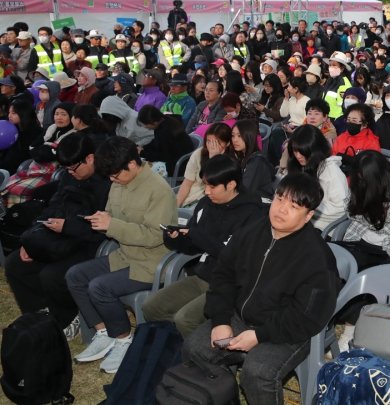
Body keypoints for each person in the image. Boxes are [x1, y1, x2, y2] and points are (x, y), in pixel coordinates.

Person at [182, 173, 339, 404]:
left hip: (287, 330)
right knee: (194, 347)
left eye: (293, 206)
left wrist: (259, 335)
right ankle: (222, 395)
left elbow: (307, 316)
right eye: (279, 199)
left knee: (257, 372)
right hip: (241, 316)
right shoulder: (252, 231)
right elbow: (223, 274)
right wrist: (220, 320)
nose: (281, 209)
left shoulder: (316, 257)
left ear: (308, 216)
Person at [66, 136, 177, 374]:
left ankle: (123, 339)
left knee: (99, 287)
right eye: (110, 176)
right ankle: (104, 331)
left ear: (132, 164)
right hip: (125, 255)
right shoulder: (118, 181)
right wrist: (100, 218)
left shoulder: (159, 190)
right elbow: (111, 213)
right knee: (75, 276)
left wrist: (112, 225)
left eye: (115, 175)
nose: (112, 180)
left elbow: (155, 236)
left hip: (151, 263)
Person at [142, 155, 267, 337]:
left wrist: (195, 234)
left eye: (212, 186)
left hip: (231, 284)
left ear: (231, 185)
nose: (207, 191)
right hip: (202, 275)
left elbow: (231, 254)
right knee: (151, 307)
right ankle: (180, 345)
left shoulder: (252, 214)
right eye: (205, 185)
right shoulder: (206, 204)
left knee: (185, 319)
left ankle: (205, 354)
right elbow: (194, 246)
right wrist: (176, 238)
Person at [4, 133, 111, 340]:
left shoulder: (108, 181)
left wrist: (68, 227)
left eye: (74, 168)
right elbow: (52, 207)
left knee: (52, 275)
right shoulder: (69, 177)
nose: (71, 173)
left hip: (90, 243)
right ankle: (41, 313)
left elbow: (103, 229)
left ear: (90, 158)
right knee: (15, 263)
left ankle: (68, 318)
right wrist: (31, 240)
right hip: (61, 238)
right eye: (67, 169)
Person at [336, 150, 390, 351]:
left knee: (366, 279)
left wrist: (366, 212)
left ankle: (350, 330)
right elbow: (350, 210)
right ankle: (335, 317)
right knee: (337, 267)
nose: (361, 181)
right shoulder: (361, 174)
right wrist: (372, 214)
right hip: (360, 236)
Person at [286, 124, 349, 230]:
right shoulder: (298, 165)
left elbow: (341, 209)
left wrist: (306, 204)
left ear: (315, 150)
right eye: (295, 151)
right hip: (300, 220)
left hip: (321, 228)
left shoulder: (332, 171)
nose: (298, 156)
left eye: (303, 151)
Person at [176, 122, 232, 211]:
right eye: (209, 141)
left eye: (217, 142)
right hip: (191, 199)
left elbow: (213, 184)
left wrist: (213, 159)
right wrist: (176, 206)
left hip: (212, 203)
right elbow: (186, 184)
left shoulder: (231, 161)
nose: (211, 146)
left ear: (228, 143)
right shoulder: (199, 153)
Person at [137, 104, 195, 174]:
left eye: (145, 124)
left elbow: (165, 156)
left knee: (143, 171)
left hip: (179, 164)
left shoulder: (165, 131)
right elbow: (157, 143)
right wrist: (144, 148)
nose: (145, 127)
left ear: (154, 122)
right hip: (177, 157)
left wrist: (143, 153)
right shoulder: (166, 119)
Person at [0, 99, 43, 173]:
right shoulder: (12, 127)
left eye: (13, 113)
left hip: (18, 169)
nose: (9, 115)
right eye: (9, 112)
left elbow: (24, 157)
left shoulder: (34, 132)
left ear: (23, 113)